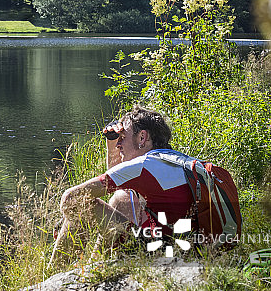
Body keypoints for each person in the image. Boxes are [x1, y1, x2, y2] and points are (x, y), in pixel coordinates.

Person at [49, 106, 195, 265]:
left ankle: (57, 272)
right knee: (121, 198)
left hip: (159, 252)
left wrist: (68, 217)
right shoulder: (180, 161)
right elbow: (120, 187)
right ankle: (95, 265)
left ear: (142, 137)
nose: (118, 144)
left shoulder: (143, 165)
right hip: (191, 248)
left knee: (78, 204)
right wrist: (111, 140)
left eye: (123, 137)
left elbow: (70, 198)